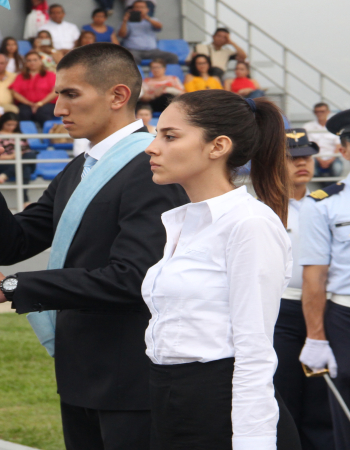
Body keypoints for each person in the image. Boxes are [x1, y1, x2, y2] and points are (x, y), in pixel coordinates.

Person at [0, 43, 189, 450]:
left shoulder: (150, 169)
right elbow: (14, 244)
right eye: (58, 95)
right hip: (80, 374)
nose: (57, 109)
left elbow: (132, 279)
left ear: (118, 96)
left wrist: (9, 288)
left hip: (130, 379)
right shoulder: (79, 167)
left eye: (71, 94)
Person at [142, 89, 301, 449]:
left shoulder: (249, 224)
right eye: (156, 135)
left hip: (222, 410)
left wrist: (253, 440)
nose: (152, 148)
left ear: (218, 147)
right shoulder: (182, 222)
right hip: (171, 404)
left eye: (169, 136)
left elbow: (255, 348)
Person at [273, 128, 335, 450]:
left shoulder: (325, 205)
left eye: (307, 157)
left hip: (322, 310)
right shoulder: (264, 208)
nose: (302, 164)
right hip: (279, 311)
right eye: (293, 158)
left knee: (320, 400)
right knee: (282, 395)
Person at [299, 109, 350, 450]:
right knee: (346, 411)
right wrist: (316, 337)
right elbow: (314, 277)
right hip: (345, 316)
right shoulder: (323, 204)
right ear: (344, 149)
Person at [0, 112, 36, 202]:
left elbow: (27, 152)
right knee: (25, 169)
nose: (11, 127)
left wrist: (18, 157)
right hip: (3, 164)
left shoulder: (20, 135)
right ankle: (25, 201)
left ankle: (5, 175)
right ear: (2, 123)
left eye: (14, 125)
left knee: (31, 155)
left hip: (21, 161)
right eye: (8, 124)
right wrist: (12, 157)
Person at [118, 0, 178, 65]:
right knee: (131, 58)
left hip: (152, 51)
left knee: (172, 57)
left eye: (142, 7)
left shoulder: (152, 20)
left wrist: (147, 18)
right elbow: (122, 35)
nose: (139, 9)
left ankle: (166, 75)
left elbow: (159, 26)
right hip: (134, 50)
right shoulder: (127, 22)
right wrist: (125, 21)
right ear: (132, 9)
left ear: (147, 10)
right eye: (137, 7)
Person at [10, 51, 57, 125]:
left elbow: (55, 91)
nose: (32, 62)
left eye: (35, 60)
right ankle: (27, 135)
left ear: (41, 61)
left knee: (43, 113)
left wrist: (40, 104)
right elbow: (15, 93)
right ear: (26, 63)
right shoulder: (20, 76)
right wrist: (29, 104)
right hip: (26, 104)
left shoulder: (50, 75)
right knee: (23, 113)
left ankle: (47, 135)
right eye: (29, 60)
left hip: (47, 103)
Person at [304, 103, 343, 178]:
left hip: (332, 156)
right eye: (317, 112)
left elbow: (338, 145)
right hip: (314, 157)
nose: (319, 114)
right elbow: (308, 145)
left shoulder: (335, 126)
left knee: (337, 169)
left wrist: (331, 159)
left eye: (322, 111)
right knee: (311, 169)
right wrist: (319, 159)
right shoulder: (307, 126)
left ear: (328, 112)